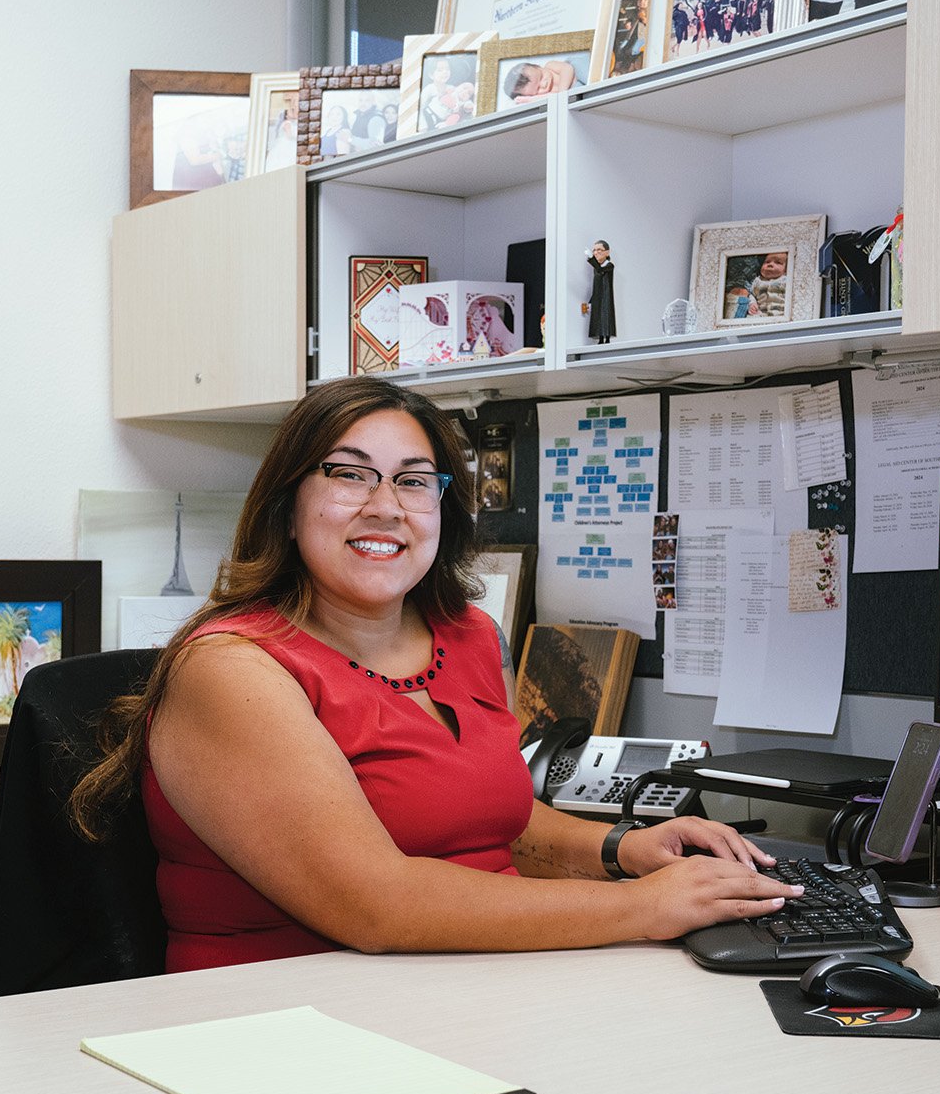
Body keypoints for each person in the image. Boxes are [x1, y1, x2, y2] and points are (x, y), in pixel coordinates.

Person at [71, 379, 798, 972]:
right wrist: (649, 907)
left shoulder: (471, 637)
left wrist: (620, 850)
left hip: (467, 983)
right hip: (282, 1023)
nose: (384, 506)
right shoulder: (232, 669)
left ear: (441, 510)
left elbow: (483, 826)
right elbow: (377, 905)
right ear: (288, 506)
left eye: (413, 482)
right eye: (349, 474)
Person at [502, 58, 577, 105]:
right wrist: (530, 100)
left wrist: (562, 93)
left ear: (539, 67)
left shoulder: (550, 66)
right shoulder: (549, 95)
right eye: (538, 89)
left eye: (541, 76)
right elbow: (551, 98)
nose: (544, 84)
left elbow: (567, 68)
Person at [585, 240, 616, 343]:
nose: (596, 252)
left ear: (607, 252)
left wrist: (591, 259)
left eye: (599, 250)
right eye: (594, 250)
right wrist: (591, 301)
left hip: (606, 297)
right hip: (598, 297)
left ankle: (606, 338)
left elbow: (600, 270)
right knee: (598, 318)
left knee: (606, 317)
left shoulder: (609, 266)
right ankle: (600, 338)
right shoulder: (596, 268)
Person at [750, 251, 788, 320]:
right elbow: (751, 294)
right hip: (761, 314)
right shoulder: (757, 281)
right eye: (767, 262)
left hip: (781, 313)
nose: (770, 264)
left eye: (778, 262)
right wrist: (752, 303)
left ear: (786, 270)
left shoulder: (786, 280)